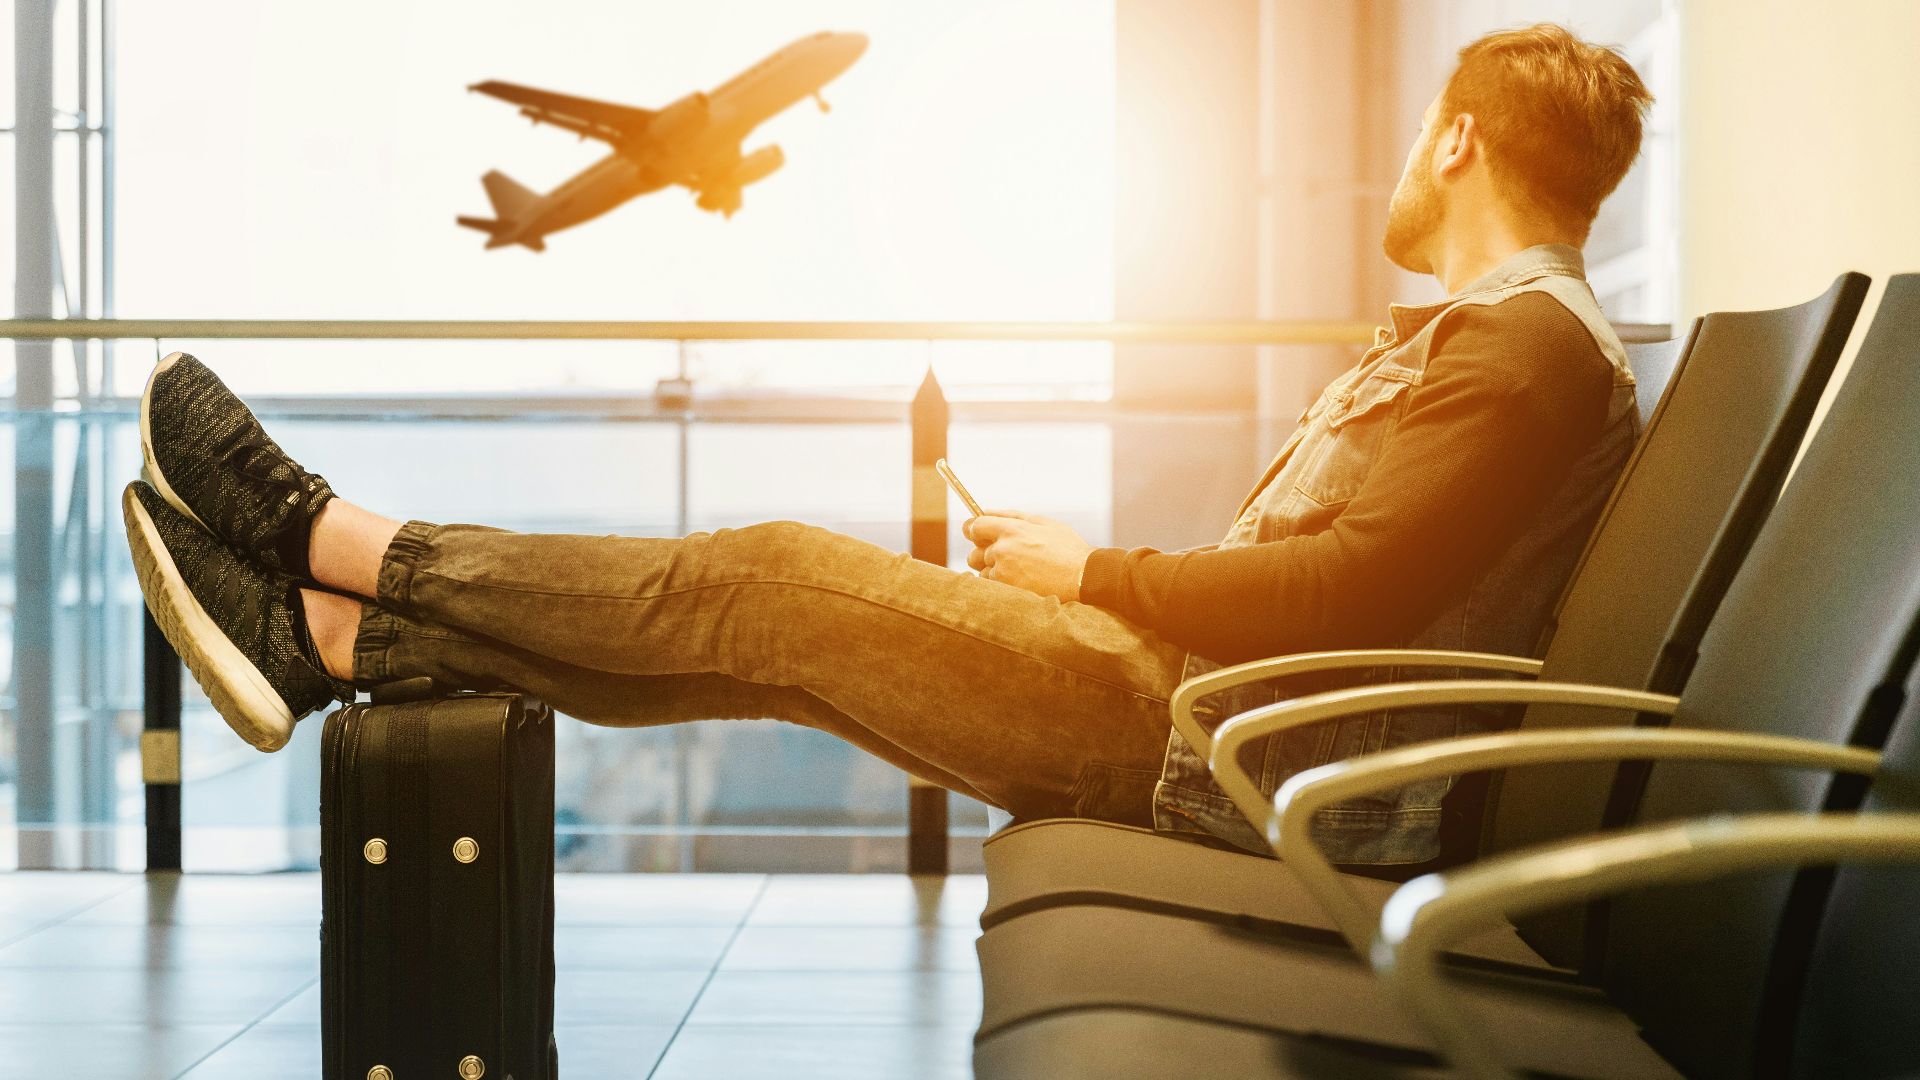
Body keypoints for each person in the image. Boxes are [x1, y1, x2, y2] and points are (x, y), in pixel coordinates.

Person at [124, 23, 1652, 866]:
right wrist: (1098, 581)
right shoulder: (1511, 348)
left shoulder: (1523, 350)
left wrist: (1099, 571)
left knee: (770, 580)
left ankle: (324, 537)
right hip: (1211, 728)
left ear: (1455, 139)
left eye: (1413, 139)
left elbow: (1349, 596)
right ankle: (331, 644)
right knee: (773, 651)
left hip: (1216, 754)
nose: (1398, 166)